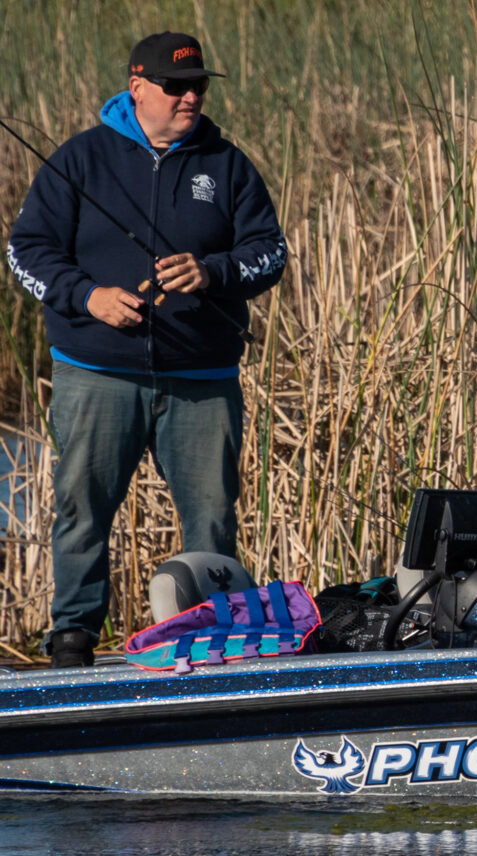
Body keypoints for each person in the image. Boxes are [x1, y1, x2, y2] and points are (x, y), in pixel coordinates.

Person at [5, 33, 290, 667]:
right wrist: (88, 297)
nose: (190, 97)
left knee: (213, 518)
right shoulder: (79, 160)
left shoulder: (228, 164)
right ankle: (73, 637)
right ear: (137, 89)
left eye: (199, 87)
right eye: (175, 87)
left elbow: (270, 253)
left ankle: (209, 636)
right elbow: (26, 251)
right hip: (96, 372)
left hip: (203, 377)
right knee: (81, 507)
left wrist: (215, 271)